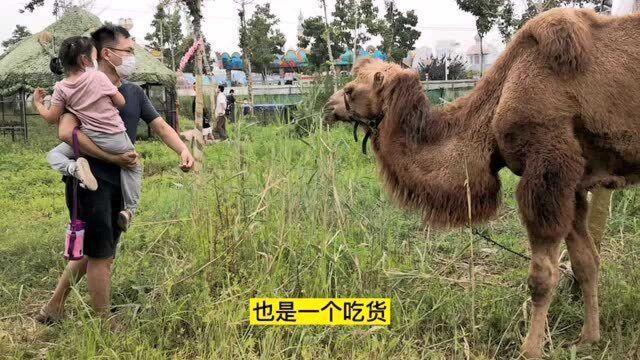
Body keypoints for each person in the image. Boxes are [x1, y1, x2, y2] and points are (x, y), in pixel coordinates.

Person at [35, 24, 194, 325]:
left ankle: (53, 307)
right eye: (129, 51)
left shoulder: (133, 92)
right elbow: (67, 133)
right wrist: (112, 157)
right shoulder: (82, 92)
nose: (134, 57)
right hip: (90, 182)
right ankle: (104, 323)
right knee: (101, 256)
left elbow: (159, 125)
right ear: (106, 54)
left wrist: (182, 149)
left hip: (120, 181)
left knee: (98, 249)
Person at [34, 36, 141, 232]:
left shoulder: (61, 88)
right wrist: (112, 93)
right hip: (114, 137)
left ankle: (74, 168)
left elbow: (51, 118)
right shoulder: (98, 77)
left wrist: (39, 105)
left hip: (87, 135)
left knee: (54, 155)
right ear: (85, 60)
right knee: (133, 166)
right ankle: (130, 210)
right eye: (94, 57)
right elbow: (121, 102)